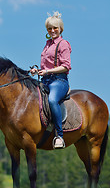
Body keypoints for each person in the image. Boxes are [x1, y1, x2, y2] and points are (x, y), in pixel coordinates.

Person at [31, 11, 71, 149]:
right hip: (46, 80)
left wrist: (48, 71)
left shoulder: (63, 44)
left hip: (59, 81)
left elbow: (65, 67)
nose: (52, 30)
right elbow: (46, 65)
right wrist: (37, 71)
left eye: (55, 28)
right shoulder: (47, 44)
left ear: (60, 29)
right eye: (50, 28)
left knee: (52, 100)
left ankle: (59, 136)